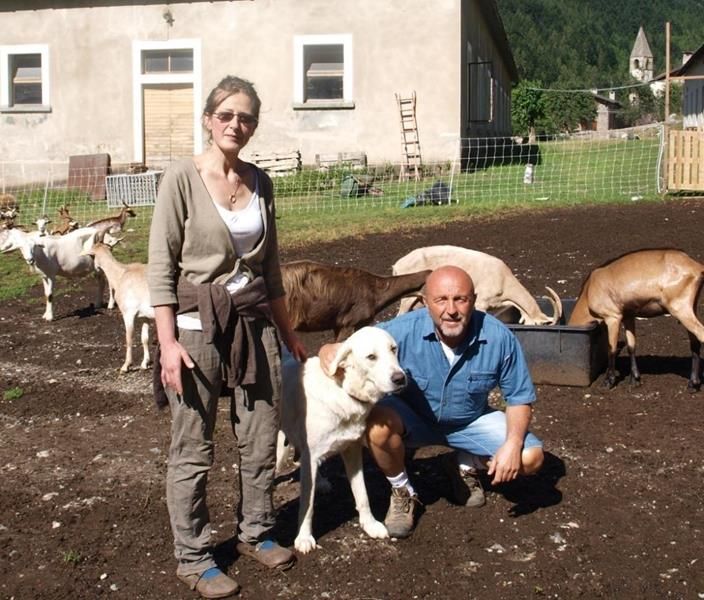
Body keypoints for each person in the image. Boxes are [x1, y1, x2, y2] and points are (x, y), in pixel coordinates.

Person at [148, 75, 307, 599]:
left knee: (261, 435)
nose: (236, 124)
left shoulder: (261, 182)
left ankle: (256, 532)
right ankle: (193, 557)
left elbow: (272, 268)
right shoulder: (181, 178)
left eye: (246, 117)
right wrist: (168, 344)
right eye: (226, 115)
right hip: (196, 329)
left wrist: (288, 333)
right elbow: (160, 269)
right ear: (208, 119)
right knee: (193, 446)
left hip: (255, 325)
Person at [320, 265, 544, 539]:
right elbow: (357, 342)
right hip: (414, 418)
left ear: (474, 300)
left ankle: (465, 463)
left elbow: (519, 398)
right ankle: (403, 490)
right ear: (425, 303)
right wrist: (328, 349)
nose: (451, 310)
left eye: (460, 299)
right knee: (376, 423)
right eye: (441, 300)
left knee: (530, 457)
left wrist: (512, 443)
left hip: (470, 421)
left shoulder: (499, 337)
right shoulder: (402, 330)